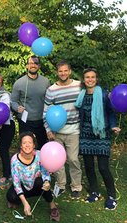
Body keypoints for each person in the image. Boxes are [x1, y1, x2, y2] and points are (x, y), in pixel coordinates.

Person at [75, 68, 120, 210]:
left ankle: (112, 196)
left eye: (92, 77)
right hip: (86, 135)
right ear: (84, 79)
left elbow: (111, 112)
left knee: (103, 168)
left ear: (96, 79)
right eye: (87, 77)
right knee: (88, 167)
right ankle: (94, 192)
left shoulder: (104, 95)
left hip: (101, 134)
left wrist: (113, 126)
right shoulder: (81, 96)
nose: (90, 79)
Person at [43, 60, 82, 199]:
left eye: (66, 70)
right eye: (60, 71)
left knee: (73, 159)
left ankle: (76, 186)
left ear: (70, 71)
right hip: (57, 132)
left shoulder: (78, 86)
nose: (63, 73)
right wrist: (48, 129)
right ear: (57, 72)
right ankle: (60, 185)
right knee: (57, 161)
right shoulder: (51, 90)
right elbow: (46, 111)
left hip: (74, 130)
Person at [6, 132, 60, 221]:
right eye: (24, 143)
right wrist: (25, 203)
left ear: (34, 145)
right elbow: (16, 183)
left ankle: (53, 207)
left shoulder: (40, 155)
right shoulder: (15, 160)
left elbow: (45, 172)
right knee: (11, 197)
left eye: (30, 142)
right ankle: (20, 200)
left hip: (37, 185)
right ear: (20, 145)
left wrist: (47, 182)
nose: (27, 145)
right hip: (23, 186)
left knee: (42, 182)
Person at [10, 56, 50, 149]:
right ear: (27, 66)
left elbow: (49, 100)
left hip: (42, 121)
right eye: (31, 63)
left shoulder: (46, 81)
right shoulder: (19, 83)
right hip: (25, 122)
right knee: (26, 148)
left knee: (42, 148)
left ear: (39, 66)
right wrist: (17, 108)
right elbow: (13, 102)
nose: (33, 65)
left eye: (35, 63)